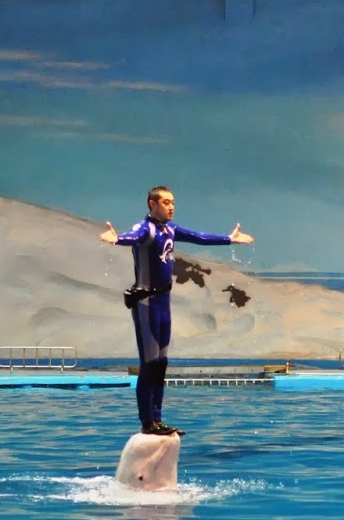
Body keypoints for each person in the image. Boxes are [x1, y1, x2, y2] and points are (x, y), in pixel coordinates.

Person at [99, 186, 253, 436]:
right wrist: (117, 239)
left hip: (163, 302)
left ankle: (158, 419)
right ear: (152, 204)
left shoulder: (170, 229)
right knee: (149, 364)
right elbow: (133, 237)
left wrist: (229, 239)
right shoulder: (145, 229)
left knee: (161, 364)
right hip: (146, 303)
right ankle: (147, 422)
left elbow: (198, 237)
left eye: (173, 202)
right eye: (166, 202)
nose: (172, 207)